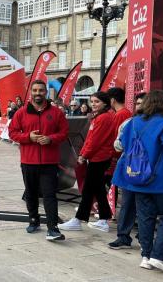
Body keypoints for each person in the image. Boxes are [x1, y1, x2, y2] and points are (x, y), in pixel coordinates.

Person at [112, 90, 163, 273]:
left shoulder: (133, 121)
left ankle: (146, 256)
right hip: (160, 180)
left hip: (136, 177)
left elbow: (123, 145)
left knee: (145, 217)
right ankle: (159, 257)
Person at [9, 80, 69, 241]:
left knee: (50, 195)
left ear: (46, 92)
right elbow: (12, 133)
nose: (38, 93)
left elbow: (64, 132)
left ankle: (53, 228)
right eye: (35, 90)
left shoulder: (56, 112)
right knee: (31, 193)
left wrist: (51, 139)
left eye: (41, 90)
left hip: (49, 163)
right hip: (28, 162)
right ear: (31, 93)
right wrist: (28, 137)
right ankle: (33, 220)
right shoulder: (21, 112)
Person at [59, 91, 115, 232]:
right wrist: (84, 153)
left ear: (105, 103)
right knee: (97, 190)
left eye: (97, 102)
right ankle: (103, 219)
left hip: (99, 158)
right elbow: (91, 138)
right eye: (92, 101)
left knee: (90, 190)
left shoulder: (103, 118)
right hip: (98, 157)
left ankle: (79, 220)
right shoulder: (100, 117)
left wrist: (83, 155)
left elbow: (95, 140)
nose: (93, 104)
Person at [108, 92, 146, 250]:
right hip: (130, 169)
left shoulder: (158, 123)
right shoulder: (129, 122)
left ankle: (145, 238)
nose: (140, 106)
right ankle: (123, 237)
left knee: (145, 207)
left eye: (143, 103)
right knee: (127, 204)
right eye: (137, 103)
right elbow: (117, 145)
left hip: (147, 172)